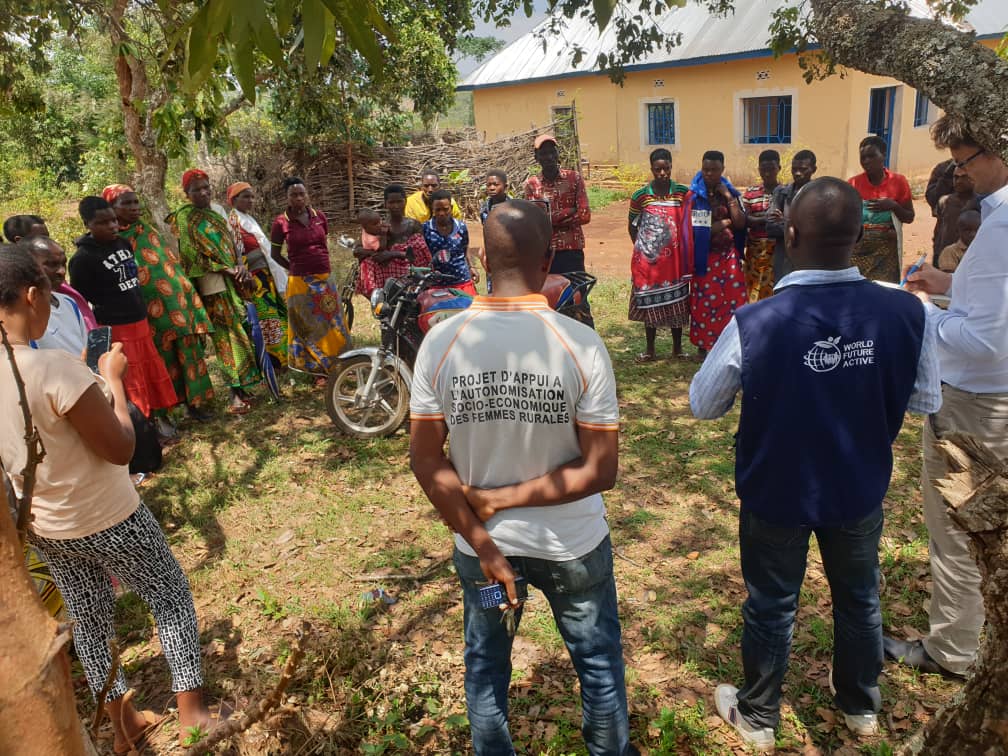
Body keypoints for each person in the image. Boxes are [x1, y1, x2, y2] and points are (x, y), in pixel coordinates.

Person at [690, 177, 940, 752]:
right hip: (858, 486)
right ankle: (859, 705)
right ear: (859, 234)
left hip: (776, 490)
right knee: (859, 597)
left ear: (792, 234)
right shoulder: (907, 313)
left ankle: (758, 717)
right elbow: (926, 401)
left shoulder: (755, 320)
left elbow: (703, 405)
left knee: (772, 603)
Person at [409, 199, 636, 756]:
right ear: (551, 256)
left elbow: (425, 460)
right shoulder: (580, 344)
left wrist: (485, 540)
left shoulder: (441, 341)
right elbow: (600, 469)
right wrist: (509, 500)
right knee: (599, 667)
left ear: (482, 255)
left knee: (486, 669)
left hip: (484, 551)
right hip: (574, 549)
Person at [0, 244, 218, 753]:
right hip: (108, 515)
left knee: (90, 619)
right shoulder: (52, 368)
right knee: (169, 596)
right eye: (49, 296)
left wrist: (85, 377)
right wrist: (114, 384)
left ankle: (125, 724)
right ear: (32, 296)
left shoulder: (34, 369)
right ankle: (195, 715)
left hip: (48, 528)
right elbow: (120, 448)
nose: (53, 306)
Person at [887, 114, 1008, 679]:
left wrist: (920, 313)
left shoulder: (1003, 224)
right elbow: (993, 307)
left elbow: (983, 339)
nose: (961, 174)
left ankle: (953, 652)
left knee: (960, 527)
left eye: (964, 160)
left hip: (973, 404)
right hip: (990, 395)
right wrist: (947, 285)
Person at [104, 184, 215, 424]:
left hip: (176, 302)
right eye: (126, 204)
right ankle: (170, 410)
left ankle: (195, 404)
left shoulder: (145, 228)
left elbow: (168, 263)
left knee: (189, 352)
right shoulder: (114, 241)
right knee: (163, 359)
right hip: (148, 311)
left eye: (135, 202)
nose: (134, 208)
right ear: (112, 208)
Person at [70, 197, 178, 421]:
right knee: (131, 378)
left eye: (113, 221)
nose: (112, 226)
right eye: (103, 223)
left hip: (139, 321)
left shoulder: (123, 244)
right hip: (116, 328)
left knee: (148, 373)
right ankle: (140, 425)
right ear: (87, 224)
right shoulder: (83, 259)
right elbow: (84, 300)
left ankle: (160, 419)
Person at [168, 169, 260, 413]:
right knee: (225, 336)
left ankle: (244, 384)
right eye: (196, 189)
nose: (203, 193)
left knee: (241, 327)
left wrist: (239, 267)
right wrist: (225, 269)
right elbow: (190, 257)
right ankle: (234, 392)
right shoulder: (185, 218)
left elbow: (234, 244)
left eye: (206, 187)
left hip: (234, 277)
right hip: (211, 283)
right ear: (186, 194)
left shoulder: (218, 211)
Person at [270, 176, 351, 379]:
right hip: (299, 282)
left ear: (307, 195)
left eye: (301, 194)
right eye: (293, 195)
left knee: (333, 321)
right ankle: (316, 371)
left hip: (324, 277)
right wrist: (294, 268)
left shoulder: (320, 217)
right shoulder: (281, 223)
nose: (298, 198)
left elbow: (322, 244)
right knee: (306, 325)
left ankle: (341, 363)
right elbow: (274, 254)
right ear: (287, 198)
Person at [627, 147, 694, 361]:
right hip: (649, 262)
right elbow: (632, 225)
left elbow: (689, 223)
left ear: (671, 167)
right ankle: (650, 350)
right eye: (658, 169)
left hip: (675, 262)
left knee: (678, 304)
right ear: (652, 169)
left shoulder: (683, 193)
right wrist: (644, 249)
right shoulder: (640, 196)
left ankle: (677, 349)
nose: (662, 173)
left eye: (666, 168)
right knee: (650, 304)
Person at [524, 133, 595, 328]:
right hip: (544, 254)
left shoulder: (574, 178)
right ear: (536, 157)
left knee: (578, 298)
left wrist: (549, 218)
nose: (548, 156)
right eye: (543, 153)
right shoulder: (532, 185)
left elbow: (584, 215)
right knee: (547, 300)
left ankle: (586, 342)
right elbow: (534, 221)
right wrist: (567, 212)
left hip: (571, 252)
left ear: (557, 154)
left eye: (551, 152)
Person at [688, 150, 747, 356]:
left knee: (733, 301)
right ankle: (704, 346)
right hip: (706, 257)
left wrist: (728, 196)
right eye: (706, 169)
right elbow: (700, 231)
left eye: (714, 170)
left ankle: (731, 345)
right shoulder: (696, 196)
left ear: (722, 170)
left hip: (729, 256)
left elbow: (740, 223)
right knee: (705, 302)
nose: (709, 174)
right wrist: (725, 222)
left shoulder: (730, 192)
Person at [226, 181, 289, 368]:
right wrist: (248, 279)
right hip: (254, 278)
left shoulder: (247, 219)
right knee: (266, 317)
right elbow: (237, 253)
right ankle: (274, 362)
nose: (250, 200)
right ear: (234, 199)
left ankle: (283, 356)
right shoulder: (234, 222)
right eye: (245, 196)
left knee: (275, 314)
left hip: (264, 275)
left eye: (252, 196)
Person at [4, 213, 98, 330]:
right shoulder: (21, 312)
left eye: (47, 236)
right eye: (41, 236)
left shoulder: (66, 300)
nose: (62, 271)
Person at [848, 136, 915, 282]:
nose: (866, 161)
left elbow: (909, 217)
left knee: (884, 291)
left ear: (883, 155)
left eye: (871, 156)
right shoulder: (853, 183)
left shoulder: (898, 182)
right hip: (858, 252)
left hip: (886, 253)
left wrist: (893, 206)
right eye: (863, 157)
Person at [355, 185, 432, 298]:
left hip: (408, 270)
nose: (396, 206)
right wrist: (376, 254)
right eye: (391, 202)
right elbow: (357, 250)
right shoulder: (378, 226)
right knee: (366, 263)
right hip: (386, 272)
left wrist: (392, 254)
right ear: (385, 204)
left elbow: (421, 252)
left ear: (405, 202)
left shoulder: (413, 225)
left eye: (399, 202)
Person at [23, 236, 86, 355]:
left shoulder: (68, 302)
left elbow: (84, 347)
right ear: (27, 266)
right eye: (51, 264)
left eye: (64, 263)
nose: (62, 271)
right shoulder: (22, 313)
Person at [766, 150, 817, 282]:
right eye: (794, 169)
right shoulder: (781, 192)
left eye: (803, 169)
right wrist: (798, 226)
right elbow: (770, 227)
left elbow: (816, 231)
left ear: (814, 169)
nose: (797, 173)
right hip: (784, 259)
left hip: (810, 260)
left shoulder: (819, 194)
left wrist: (785, 221)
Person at [422, 189, 479, 297]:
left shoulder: (460, 227)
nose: (442, 213)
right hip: (436, 284)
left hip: (462, 280)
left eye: (445, 209)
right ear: (432, 209)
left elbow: (465, 248)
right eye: (438, 210)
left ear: (451, 208)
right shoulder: (426, 228)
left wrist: (472, 267)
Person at [741, 150, 781, 302]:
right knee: (753, 289)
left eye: (771, 168)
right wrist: (768, 217)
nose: (767, 173)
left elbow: (784, 220)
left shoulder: (784, 192)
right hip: (755, 251)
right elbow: (745, 219)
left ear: (779, 168)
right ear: (759, 169)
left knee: (775, 290)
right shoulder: (751, 193)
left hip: (777, 250)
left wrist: (756, 218)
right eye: (763, 169)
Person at [932, 169, 979, 265]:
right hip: (947, 254)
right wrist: (936, 253)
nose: (959, 181)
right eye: (956, 177)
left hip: (970, 254)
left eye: (964, 177)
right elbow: (939, 229)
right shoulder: (945, 201)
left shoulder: (981, 203)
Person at [925, 158, 956, 263]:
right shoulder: (943, 168)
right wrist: (947, 176)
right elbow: (932, 198)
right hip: (944, 239)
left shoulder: (983, 169)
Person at [937, 209, 980, 273]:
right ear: (957, 231)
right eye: (967, 230)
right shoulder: (950, 252)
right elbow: (950, 276)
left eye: (977, 230)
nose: (973, 234)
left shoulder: (986, 249)